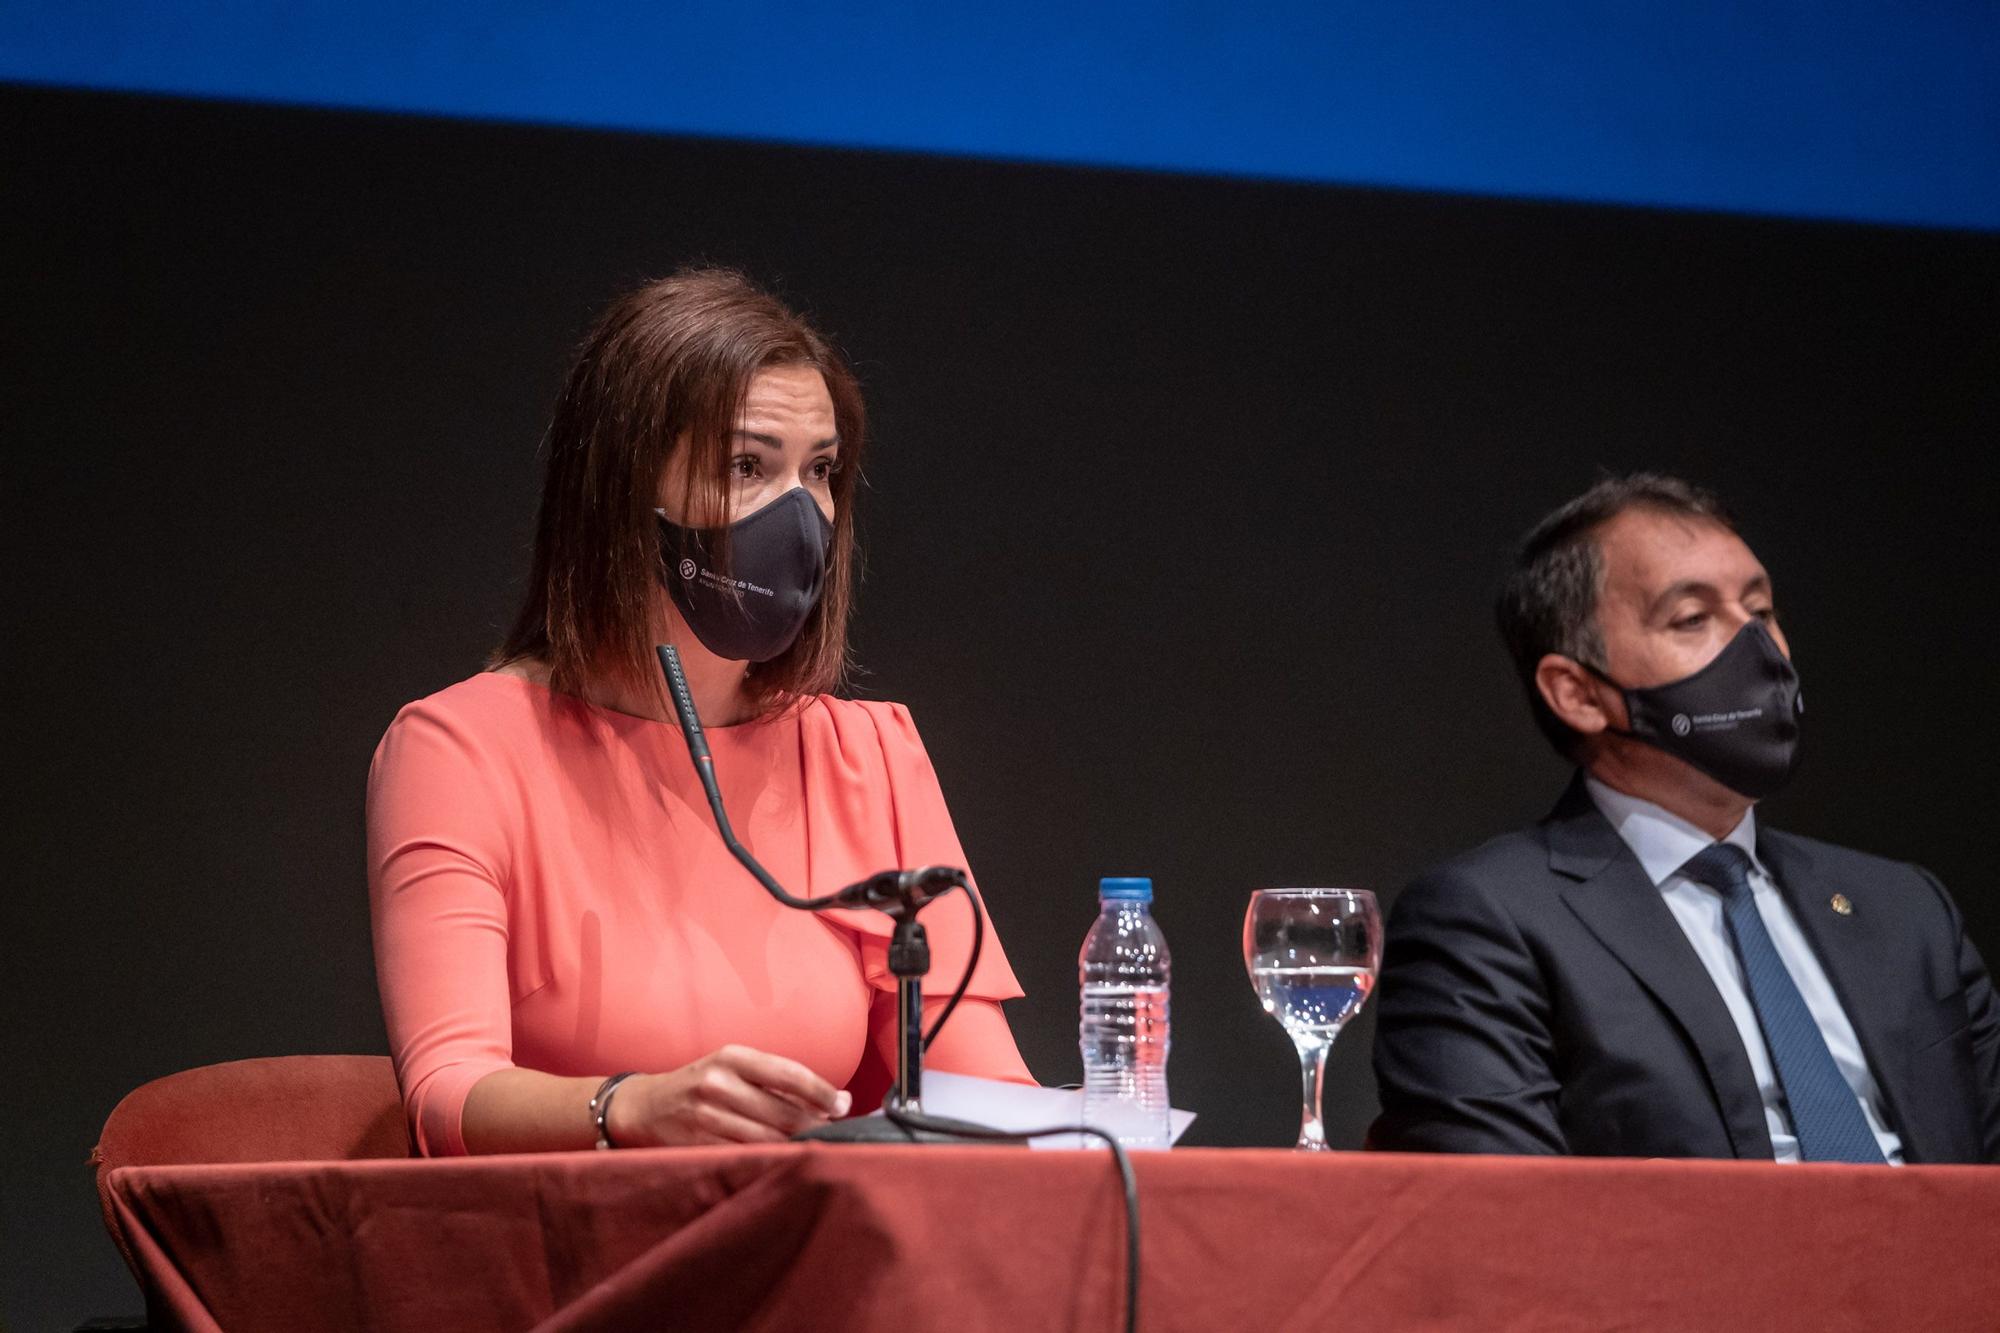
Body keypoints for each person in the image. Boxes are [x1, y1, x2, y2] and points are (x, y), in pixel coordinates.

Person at [367, 269, 1033, 1157]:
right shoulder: (460, 750)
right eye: (747, 466)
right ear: (621, 487)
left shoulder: (866, 754)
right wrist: (629, 1107)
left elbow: (986, 1099)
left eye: (822, 472)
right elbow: (447, 1097)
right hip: (579, 1261)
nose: (801, 513)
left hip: (816, 1253)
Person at [1371, 473, 2000, 1162]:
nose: (1759, 651)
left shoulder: (1908, 910)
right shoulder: (1488, 920)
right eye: (1693, 619)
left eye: (1760, 612)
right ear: (1578, 693)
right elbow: (1507, 1225)